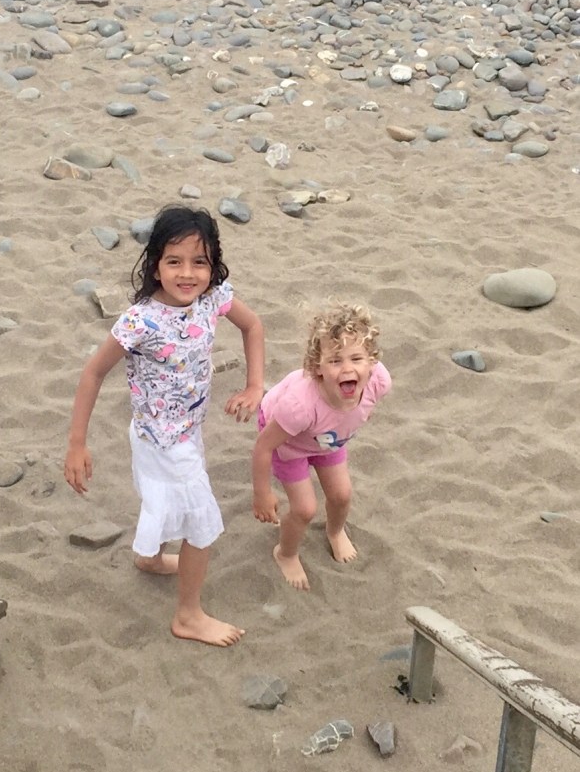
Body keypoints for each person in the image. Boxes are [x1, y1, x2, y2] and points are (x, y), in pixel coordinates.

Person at [64, 205, 264, 646]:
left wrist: (255, 385)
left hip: (186, 432)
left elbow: (252, 326)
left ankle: (150, 559)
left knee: (163, 499)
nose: (187, 273)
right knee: (199, 520)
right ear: (155, 265)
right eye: (174, 261)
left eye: (199, 262)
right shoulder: (141, 321)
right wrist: (77, 443)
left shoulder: (213, 298)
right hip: (159, 439)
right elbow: (93, 372)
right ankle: (188, 616)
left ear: (213, 264)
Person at [252, 304, 391, 590]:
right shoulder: (299, 406)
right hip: (288, 441)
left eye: (357, 358)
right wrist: (262, 493)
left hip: (327, 439)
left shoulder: (379, 382)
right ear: (317, 368)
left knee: (341, 495)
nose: (348, 368)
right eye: (335, 361)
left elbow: (358, 411)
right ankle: (286, 553)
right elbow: (263, 447)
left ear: (372, 361)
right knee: (304, 509)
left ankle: (335, 531)